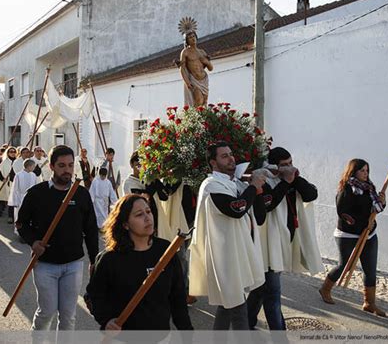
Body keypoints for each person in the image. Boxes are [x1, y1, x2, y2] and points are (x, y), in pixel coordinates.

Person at [16, 145, 99, 331]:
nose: (67, 170)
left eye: (70, 165)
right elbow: (21, 223)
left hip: (74, 264)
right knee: (47, 312)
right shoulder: (37, 193)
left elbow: (91, 230)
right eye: (61, 165)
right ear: (51, 167)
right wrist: (33, 241)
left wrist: (94, 260)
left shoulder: (81, 194)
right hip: (45, 264)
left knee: (68, 316)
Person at [86, 194, 193, 331]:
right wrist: (106, 321)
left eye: (148, 212)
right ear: (125, 224)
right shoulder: (110, 259)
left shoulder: (166, 251)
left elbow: (177, 298)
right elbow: (95, 296)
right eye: (139, 215)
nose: (147, 218)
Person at [189, 141, 266, 330]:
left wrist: (255, 188)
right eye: (224, 156)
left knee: (227, 306)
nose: (231, 158)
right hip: (225, 258)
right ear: (213, 163)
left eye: (231, 154)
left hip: (238, 253)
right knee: (239, 313)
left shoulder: (235, 183)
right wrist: (252, 187)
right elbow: (237, 208)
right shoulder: (211, 185)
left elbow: (260, 216)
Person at [246, 147, 323, 330]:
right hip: (267, 246)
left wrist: (293, 178)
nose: (289, 168)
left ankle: (245, 323)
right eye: (284, 165)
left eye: (291, 163)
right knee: (272, 294)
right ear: (273, 166)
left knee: (260, 289)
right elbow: (268, 204)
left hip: (283, 243)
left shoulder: (291, 179)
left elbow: (311, 194)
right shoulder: (265, 180)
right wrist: (285, 182)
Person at [319, 159, 386, 316]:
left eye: (367, 170)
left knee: (370, 269)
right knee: (345, 266)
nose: (366, 174)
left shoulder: (369, 188)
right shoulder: (346, 189)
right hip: (347, 234)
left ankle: (369, 303)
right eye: (362, 170)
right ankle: (325, 288)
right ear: (353, 171)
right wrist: (362, 225)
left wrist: (382, 202)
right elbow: (343, 213)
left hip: (369, 233)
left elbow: (375, 208)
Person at [179, 30, 213, 107]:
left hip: (204, 80)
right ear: (186, 41)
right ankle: (196, 118)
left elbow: (210, 68)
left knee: (204, 101)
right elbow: (182, 68)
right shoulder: (185, 52)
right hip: (194, 80)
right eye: (190, 37)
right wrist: (187, 82)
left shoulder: (202, 52)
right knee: (198, 100)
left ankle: (203, 118)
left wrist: (206, 62)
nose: (192, 38)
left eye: (194, 36)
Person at [0, 146, 17, 222]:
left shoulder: (17, 162)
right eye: (11, 152)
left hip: (14, 182)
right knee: (3, 197)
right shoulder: (4, 162)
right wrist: (2, 179)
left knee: (12, 199)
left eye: (14, 152)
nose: (13, 153)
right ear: (8, 153)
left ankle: (11, 216)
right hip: (5, 182)